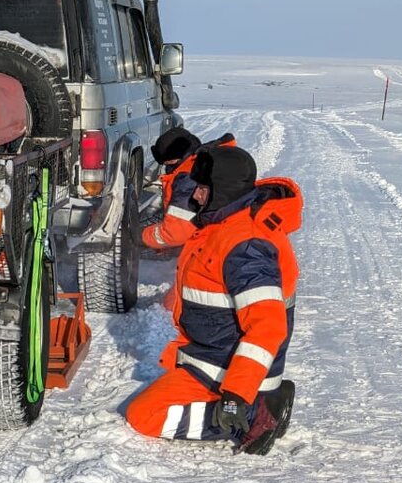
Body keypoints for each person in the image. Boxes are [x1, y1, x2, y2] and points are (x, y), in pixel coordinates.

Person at [126, 146, 300, 454]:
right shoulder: (221, 225)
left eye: (203, 189)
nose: (196, 196)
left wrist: (235, 396)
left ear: (224, 190)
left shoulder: (245, 247)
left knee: (144, 416)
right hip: (213, 358)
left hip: (231, 373)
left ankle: (258, 416)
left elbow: (268, 327)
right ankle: (260, 400)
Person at [142, 126, 237, 252]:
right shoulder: (205, 159)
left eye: (167, 162)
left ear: (177, 157)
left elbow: (176, 233)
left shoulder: (187, 178)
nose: (165, 166)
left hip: (222, 246)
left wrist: (142, 237)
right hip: (232, 230)